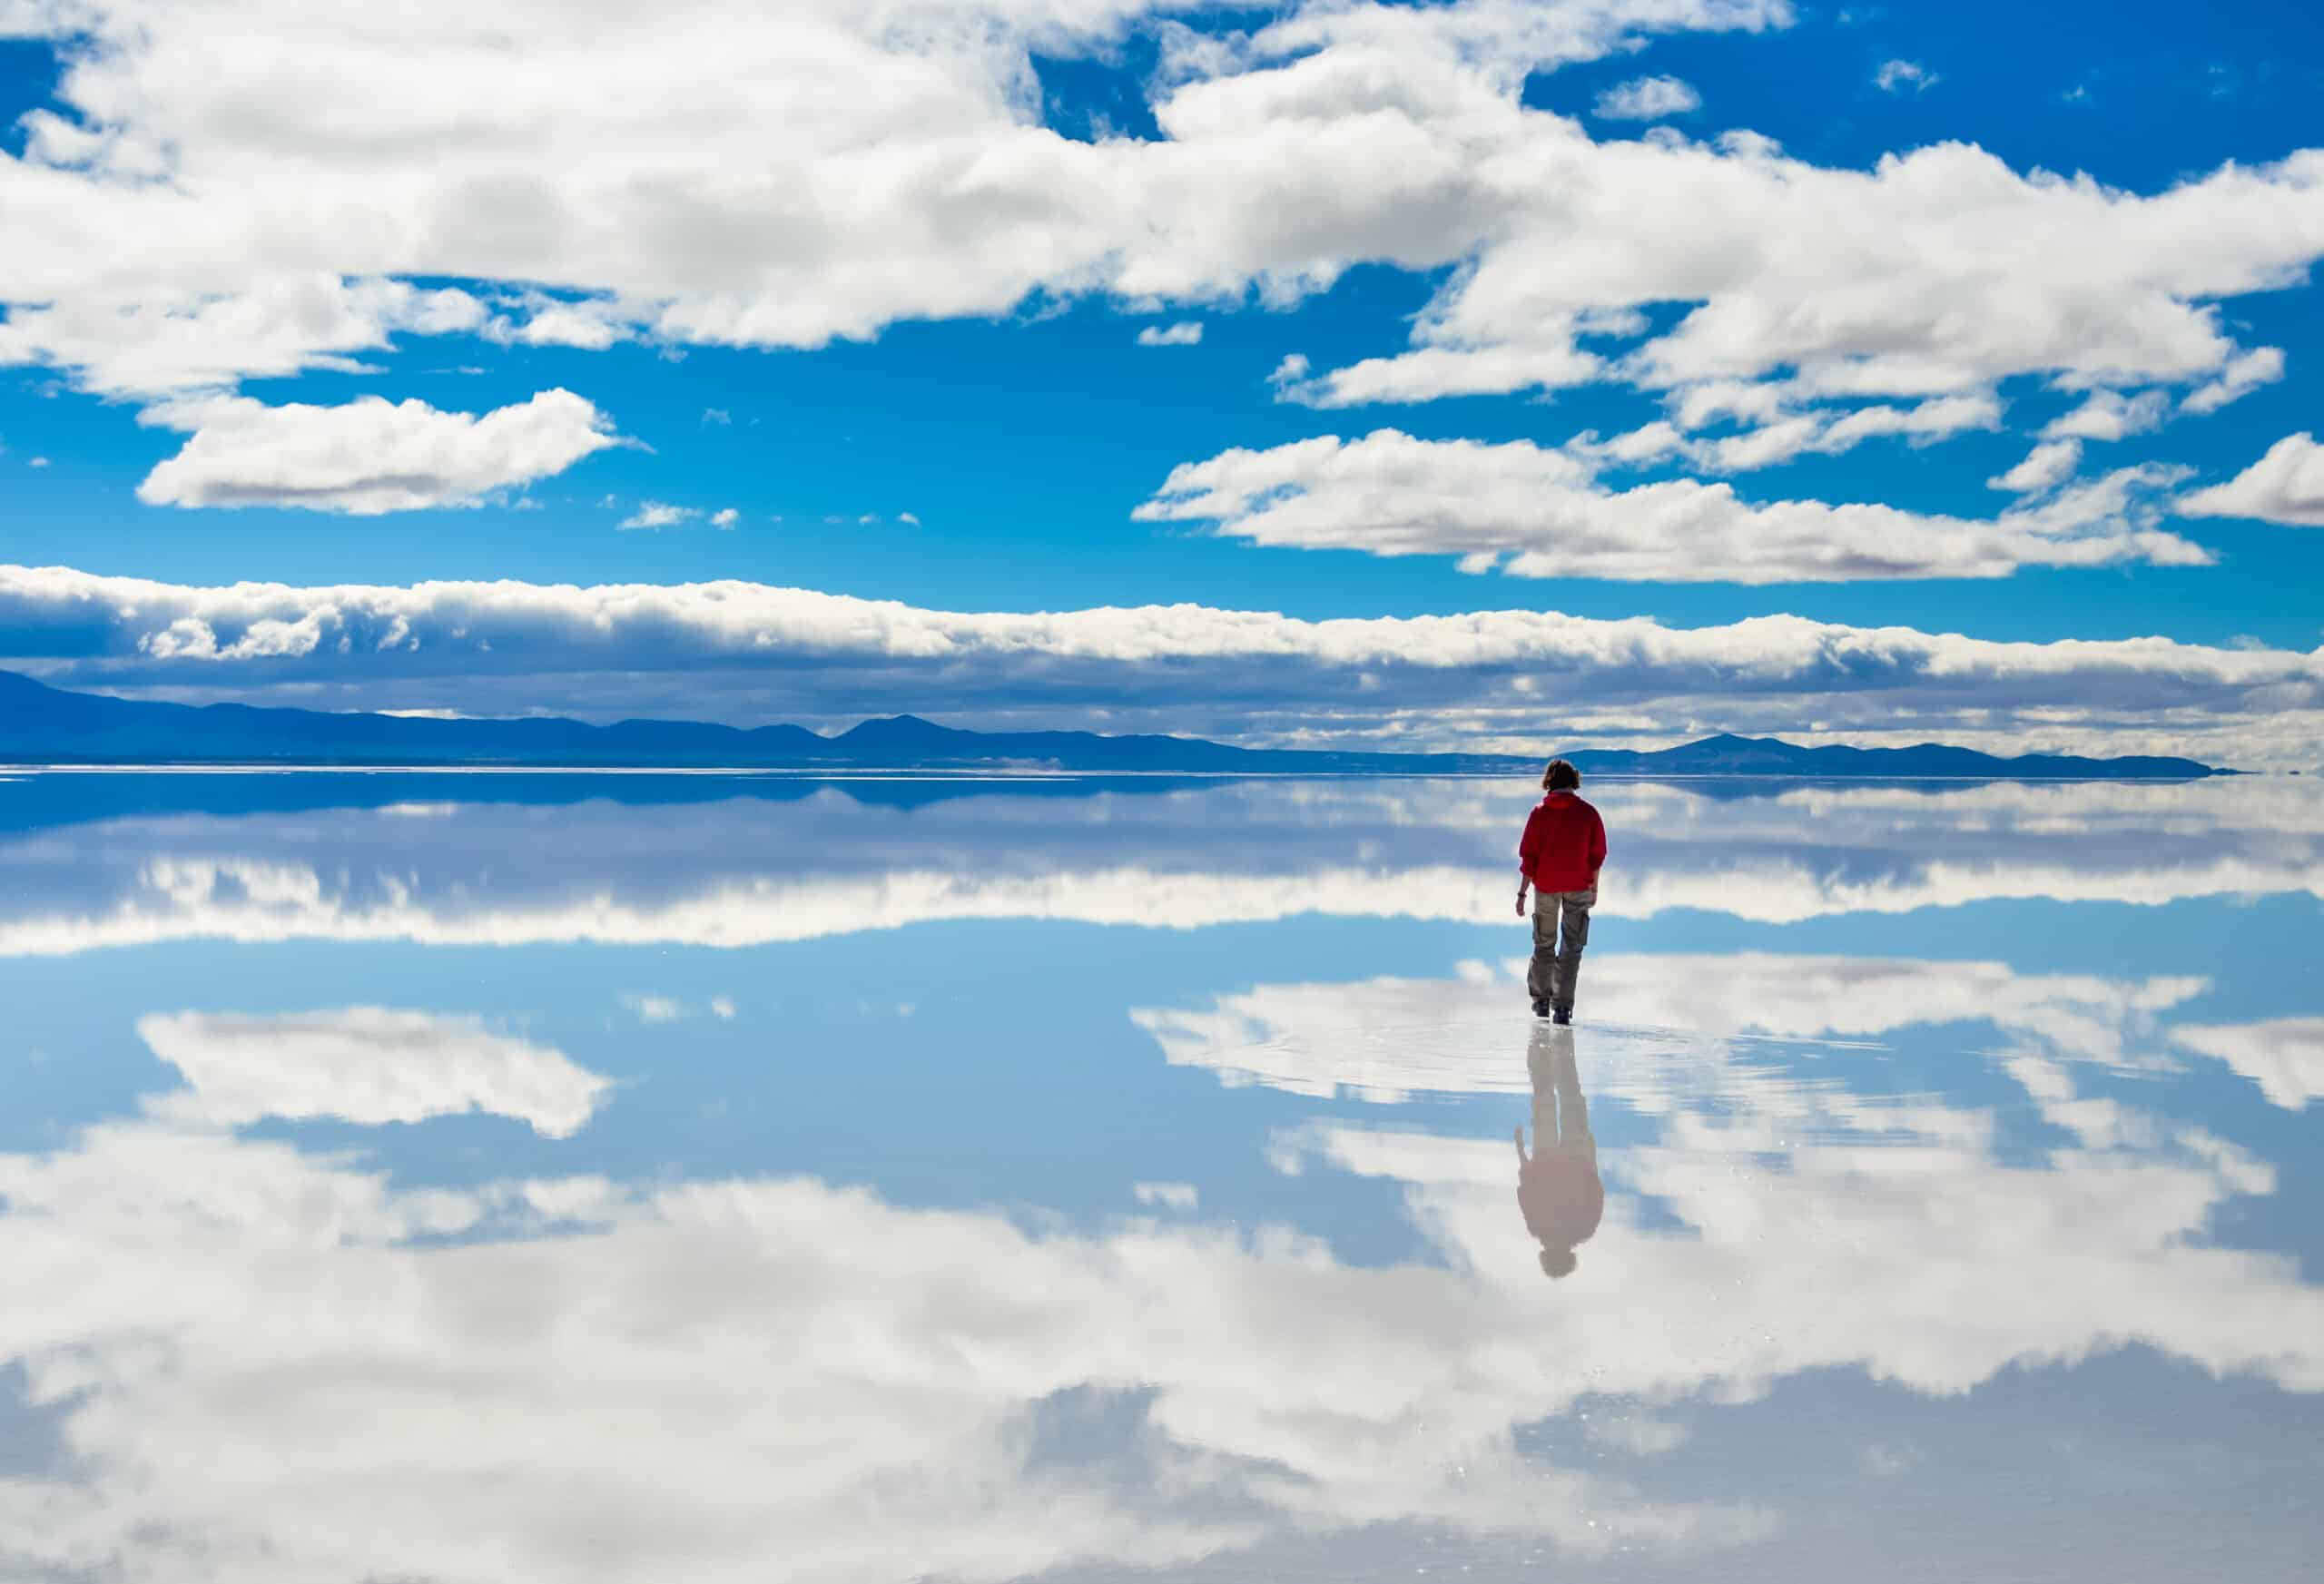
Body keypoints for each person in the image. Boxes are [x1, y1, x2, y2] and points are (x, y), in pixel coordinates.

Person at [1515, 757, 1606, 1024]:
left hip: (1545, 887)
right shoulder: (1588, 813)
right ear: (1574, 781)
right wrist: (1594, 888)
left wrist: (1521, 894)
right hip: (1579, 886)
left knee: (1543, 944)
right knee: (1572, 948)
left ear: (1549, 782)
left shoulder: (1539, 813)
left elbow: (1528, 858)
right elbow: (1597, 856)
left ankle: (1541, 1001)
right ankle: (1563, 1008)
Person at [1515, 1023, 1600, 1279]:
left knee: (1570, 1097)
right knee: (1545, 1099)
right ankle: (1548, 1054)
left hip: (1575, 1158)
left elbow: (1595, 1186)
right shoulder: (1537, 1227)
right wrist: (1520, 1149)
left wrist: (1593, 1153)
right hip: (1549, 1156)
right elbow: (1526, 1185)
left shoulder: (1585, 1229)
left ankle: (1561, 1054)